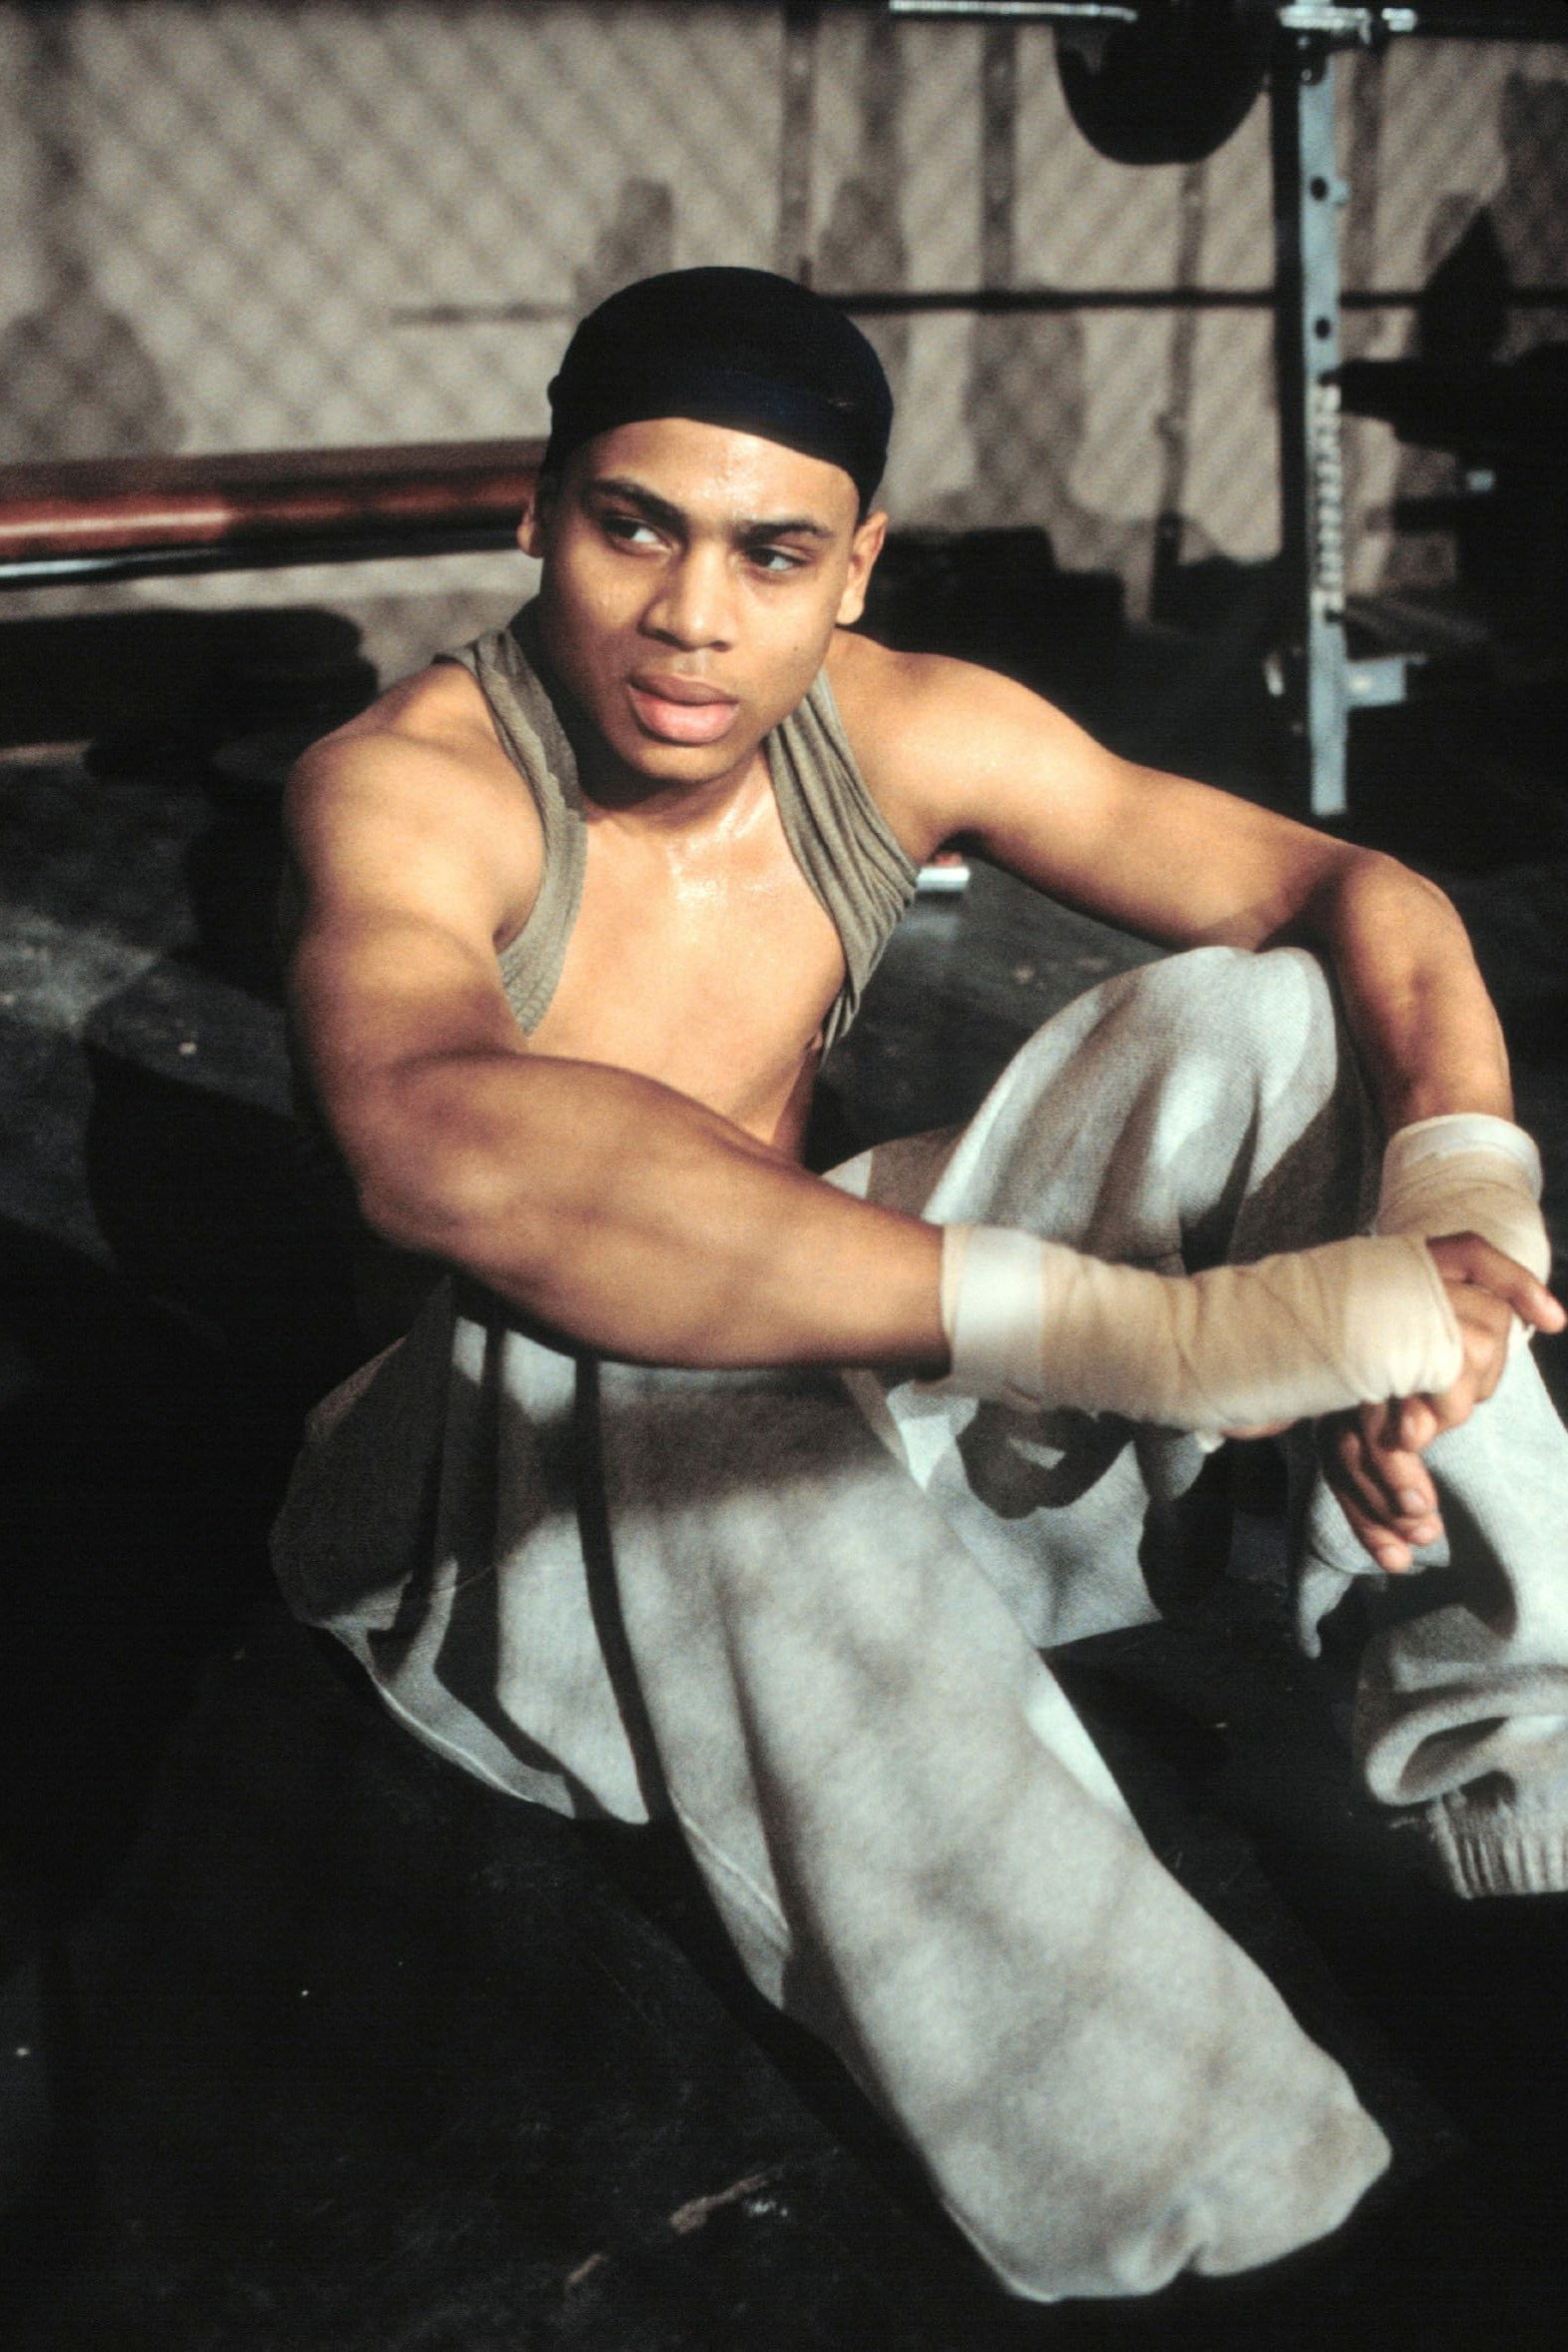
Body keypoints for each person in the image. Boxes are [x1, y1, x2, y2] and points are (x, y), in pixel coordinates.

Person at [273, 268, 1568, 2303]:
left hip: (854, 1475)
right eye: (634, 527)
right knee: (626, 1306)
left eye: (772, 554)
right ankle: (1228, 2208)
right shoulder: (410, 779)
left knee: (1262, 1022)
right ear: (537, 510)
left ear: (854, 566)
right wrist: (1175, 1339)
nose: (696, 617)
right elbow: (439, 1141)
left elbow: (1352, 891)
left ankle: (1529, 1795)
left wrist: (1460, 1223)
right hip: (510, 1530)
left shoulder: (897, 723)